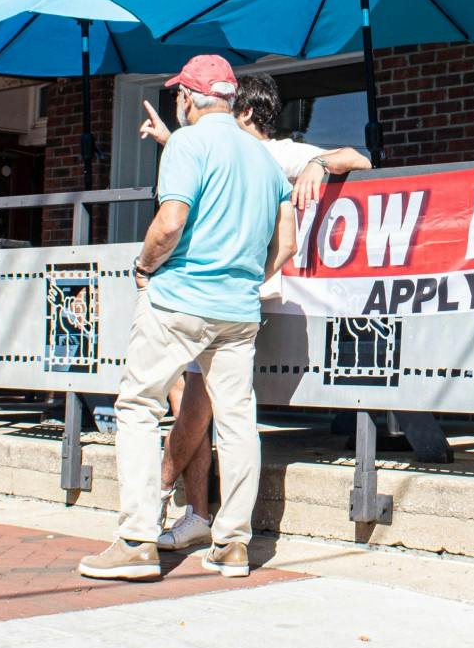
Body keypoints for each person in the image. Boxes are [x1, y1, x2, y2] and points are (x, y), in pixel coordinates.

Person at [79, 55, 294, 581]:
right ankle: (233, 545)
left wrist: (144, 265)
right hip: (238, 310)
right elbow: (286, 244)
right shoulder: (266, 160)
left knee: (137, 405)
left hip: (178, 298)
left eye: (179, 93)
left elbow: (170, 220)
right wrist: (244, 278)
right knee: (239, 421)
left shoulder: (186, 144)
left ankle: (135, 541)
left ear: (189, 97)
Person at [137, 73, 369, 551]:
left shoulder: (274, 154)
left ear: (244, 114)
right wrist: (173, 139)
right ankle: (199, 513)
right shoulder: (232, 152)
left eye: (225, 113)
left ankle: (161, 492)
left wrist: (319, 163)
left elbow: (357, 157)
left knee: (197, 406)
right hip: (224, 297)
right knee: (193, 402)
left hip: (232, 298)